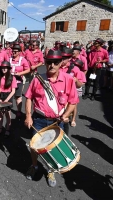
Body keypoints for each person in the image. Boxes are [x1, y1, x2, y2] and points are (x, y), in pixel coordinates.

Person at [24, 50, 79, 187]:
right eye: (49, 62)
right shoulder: (38, 79)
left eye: (55, 62)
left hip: (57, 121)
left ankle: (51, 170)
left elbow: (73, 101)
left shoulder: (68, 79)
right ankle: (34, 166)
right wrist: (28, 116)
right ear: (46, 63)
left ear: (61, 63)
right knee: (34, 147)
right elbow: (29, 97)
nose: (52, 65)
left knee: (52, 149)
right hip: (39, 119)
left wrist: (66, 116)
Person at [60, 48, 86, 129]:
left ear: (69, 59)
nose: (62, 60)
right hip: (60, 92)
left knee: (73, 106)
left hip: (71, 92)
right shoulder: (58, 67)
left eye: (64, 59)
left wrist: (76, 80)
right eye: (61, 58)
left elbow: (80, 85)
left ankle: (73, 119)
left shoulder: (75, 69)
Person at [0, 61, 17, 137]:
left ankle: (8, 129)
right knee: (1, 114)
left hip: (8, 96)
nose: (4, 69)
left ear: (8, 69)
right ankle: (0, 128)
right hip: (1, 95)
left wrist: (6, 100)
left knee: (8, 114)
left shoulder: (12, 78)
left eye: (5, 68)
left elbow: (13, 91)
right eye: (2, 68)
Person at [10, 44, 30, 119]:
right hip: (10, 81)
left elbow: (28, 69)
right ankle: (7, 109)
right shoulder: (9, 59)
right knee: (8, 96)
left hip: (18, 81)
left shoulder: (22, 60)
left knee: (18, 97)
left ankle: (18, 111)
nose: (14, 53)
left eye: (16, 51)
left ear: (19, 52)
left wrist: (19, 73)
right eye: (13, 51)